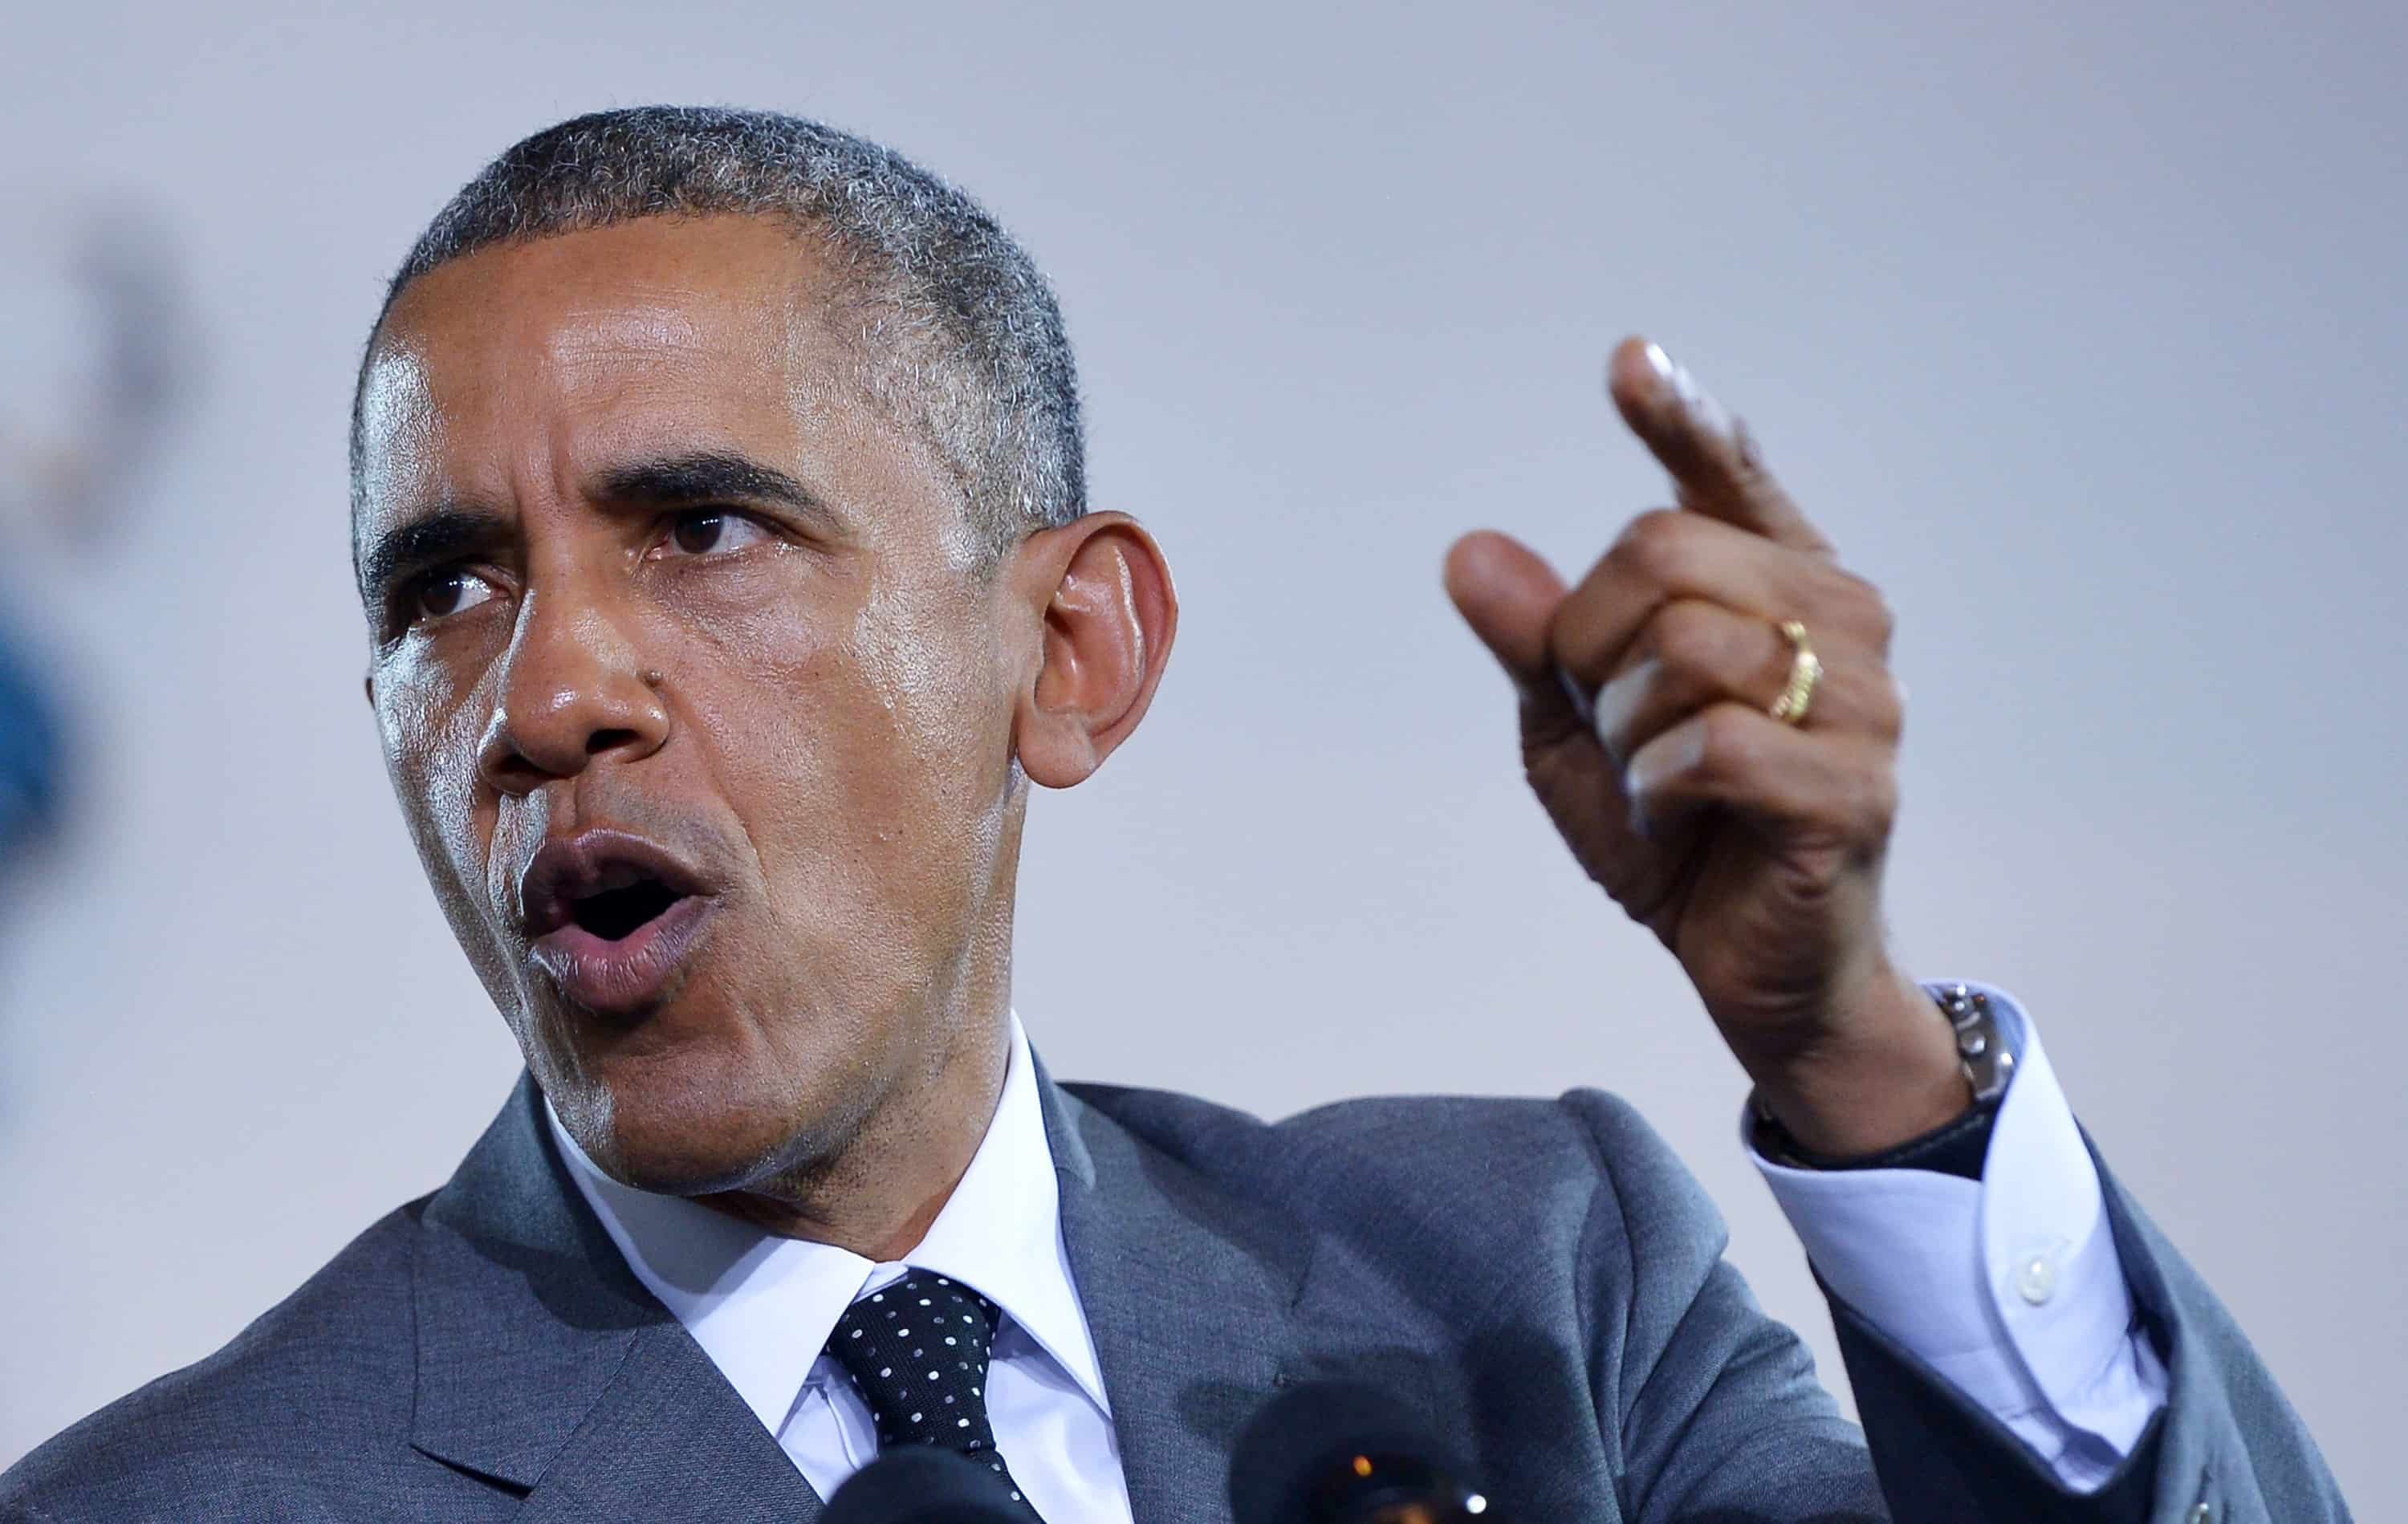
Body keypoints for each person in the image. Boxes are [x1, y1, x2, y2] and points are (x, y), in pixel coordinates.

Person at [0, 107, 2345, 1523]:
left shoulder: (1534, 1283)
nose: (550, 690)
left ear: (1075, 650)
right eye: (447, 586)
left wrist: (1848, 1048)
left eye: (700, 529)